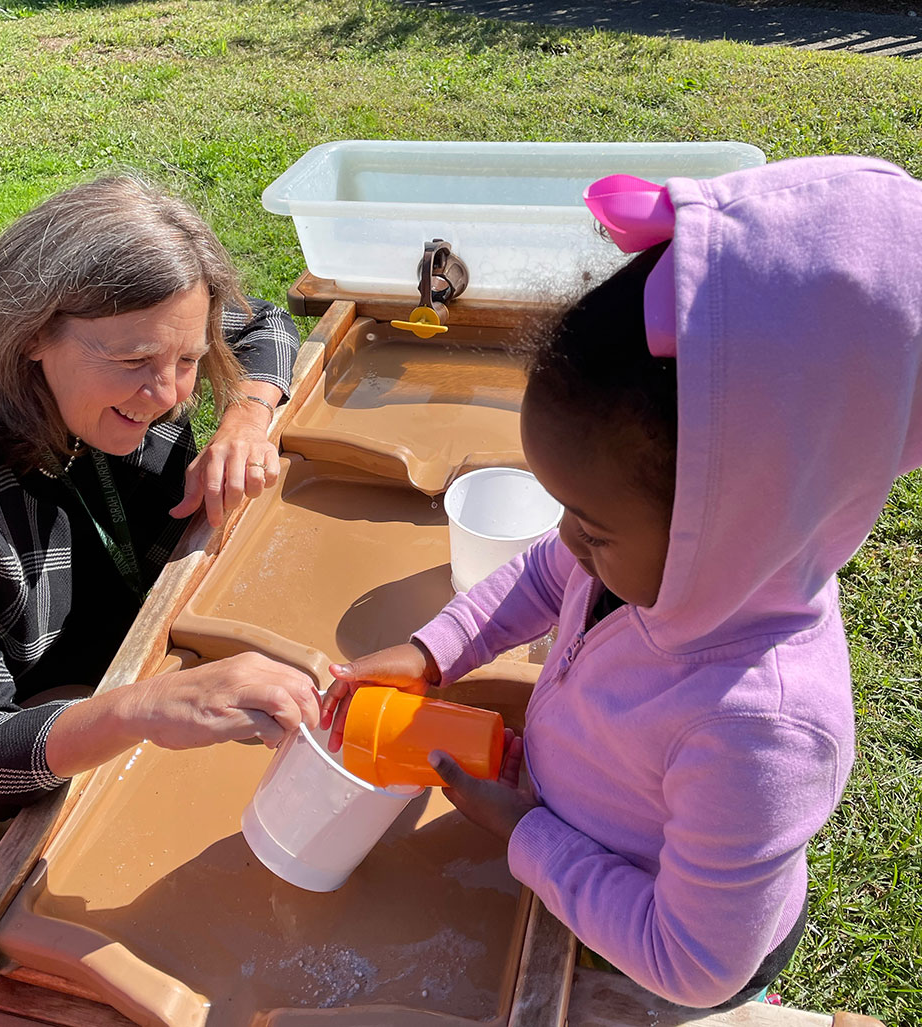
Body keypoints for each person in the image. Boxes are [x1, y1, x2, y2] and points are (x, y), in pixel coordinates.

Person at [323, 155, 922, 1008]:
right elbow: (541, 574)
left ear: (736, 521)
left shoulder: (760, 730)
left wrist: (529, 834)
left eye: (591, 526)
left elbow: (689, 958)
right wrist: (433, 650)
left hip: (664, 942)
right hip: (577, 842)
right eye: (564, 505)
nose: (565, 536)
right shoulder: (650, 558)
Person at [0, 174, 320, 825]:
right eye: (136, 361)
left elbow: (260, 322)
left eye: (188, 359)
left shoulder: (146, 319)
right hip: (60, 710)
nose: (170, 395)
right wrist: (143, 707)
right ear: (30, 333)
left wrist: (247, 415)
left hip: (159, 618)